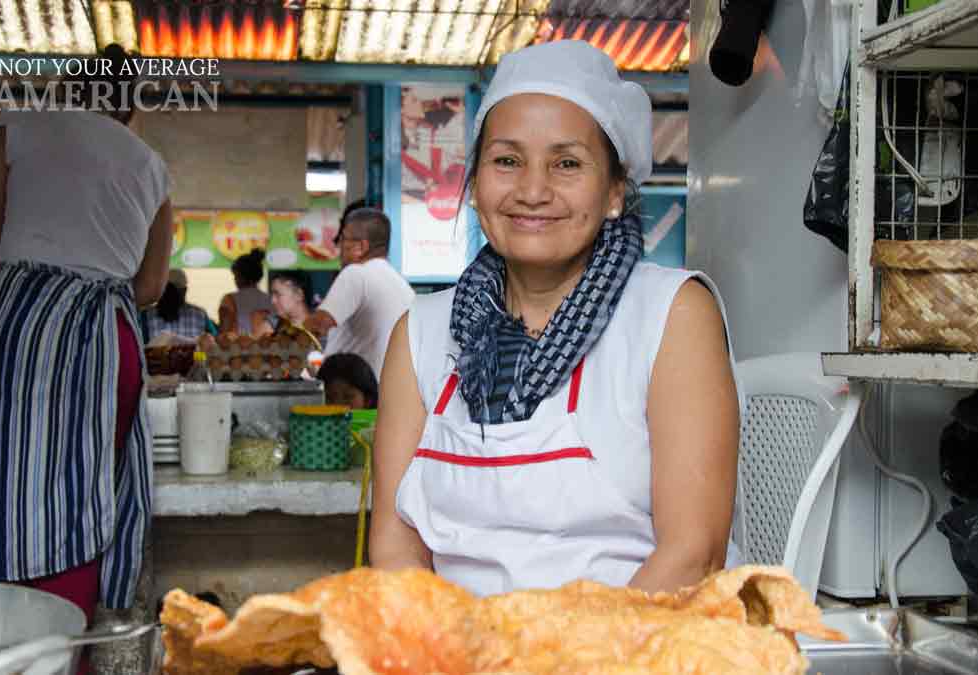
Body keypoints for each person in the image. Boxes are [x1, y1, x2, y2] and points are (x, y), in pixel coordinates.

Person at [370, 40, 744, 598]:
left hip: (638, 644)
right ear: (474, 186)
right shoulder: (420, 332)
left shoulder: (672, 315)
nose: (533, 190)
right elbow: (395, 547)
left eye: (567, 163)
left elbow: (692, 554)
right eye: (507, 161)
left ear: (615, 190)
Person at [0, 43, 173, 644]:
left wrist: (36, 296)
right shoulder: (151, 165)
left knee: (6, 488)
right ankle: (66, 647)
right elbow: (150, 286)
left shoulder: (16, 132)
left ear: (71, 90)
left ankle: (1, 649)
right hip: (108, 335)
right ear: (130, 107)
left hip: (21, 323)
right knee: (85, 490)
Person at [303, 207, 415, 380]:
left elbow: (317, 326)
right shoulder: (403, 286)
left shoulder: (356, 274)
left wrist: (280, 341)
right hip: (385, 394)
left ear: (360, 247)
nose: (338, 246)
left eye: (343, 239)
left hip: (351, 394)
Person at [140, 268, 215, 342]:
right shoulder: (145, 316)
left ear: (184, 292)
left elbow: (214, 342)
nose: (170, 297)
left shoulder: (199, 315)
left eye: (174, 292)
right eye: (168, 292)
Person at [218, 248, 273, 336]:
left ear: (240, 277)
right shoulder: (272, 301)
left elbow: (224, 333)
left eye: (235, 276)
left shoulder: (229, 300)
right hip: (268, 348)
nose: (234, 280)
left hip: (239, 348)